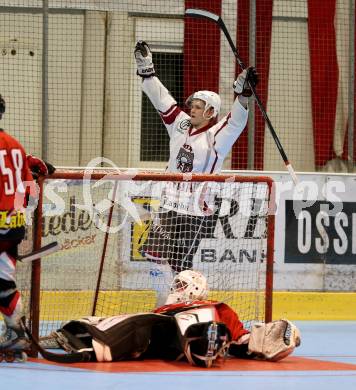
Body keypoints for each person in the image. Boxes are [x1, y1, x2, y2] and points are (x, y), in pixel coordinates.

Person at [134, 41, 259, 279]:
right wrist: (147, 70)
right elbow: (163, 101)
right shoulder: (180, 125)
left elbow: (236, 121)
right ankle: (162, 305)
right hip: (170, 205)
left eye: (199, 107)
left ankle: (179, 304)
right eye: (192, 105)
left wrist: (243, 94)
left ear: (210, 112)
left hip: (196, 212)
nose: (192, 109)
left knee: (180, 264)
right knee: (155, 257)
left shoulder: (216, 137)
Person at [43, 270, 301, 367]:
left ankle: (204, 343)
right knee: (131, 322)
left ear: (195, 289)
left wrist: (263, 340)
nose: (175, 287)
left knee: (209, 328)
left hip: (192, 334)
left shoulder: (216, 307)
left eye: (181, 284)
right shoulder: (159, 312)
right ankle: (77, 335)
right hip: (166, 340)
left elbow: (241, 338)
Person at [0, 94, 55, 361]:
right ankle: (16, 336)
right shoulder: (16, 146)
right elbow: (31, 185)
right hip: (13, 225)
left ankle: (15, 335)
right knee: (3, 283)